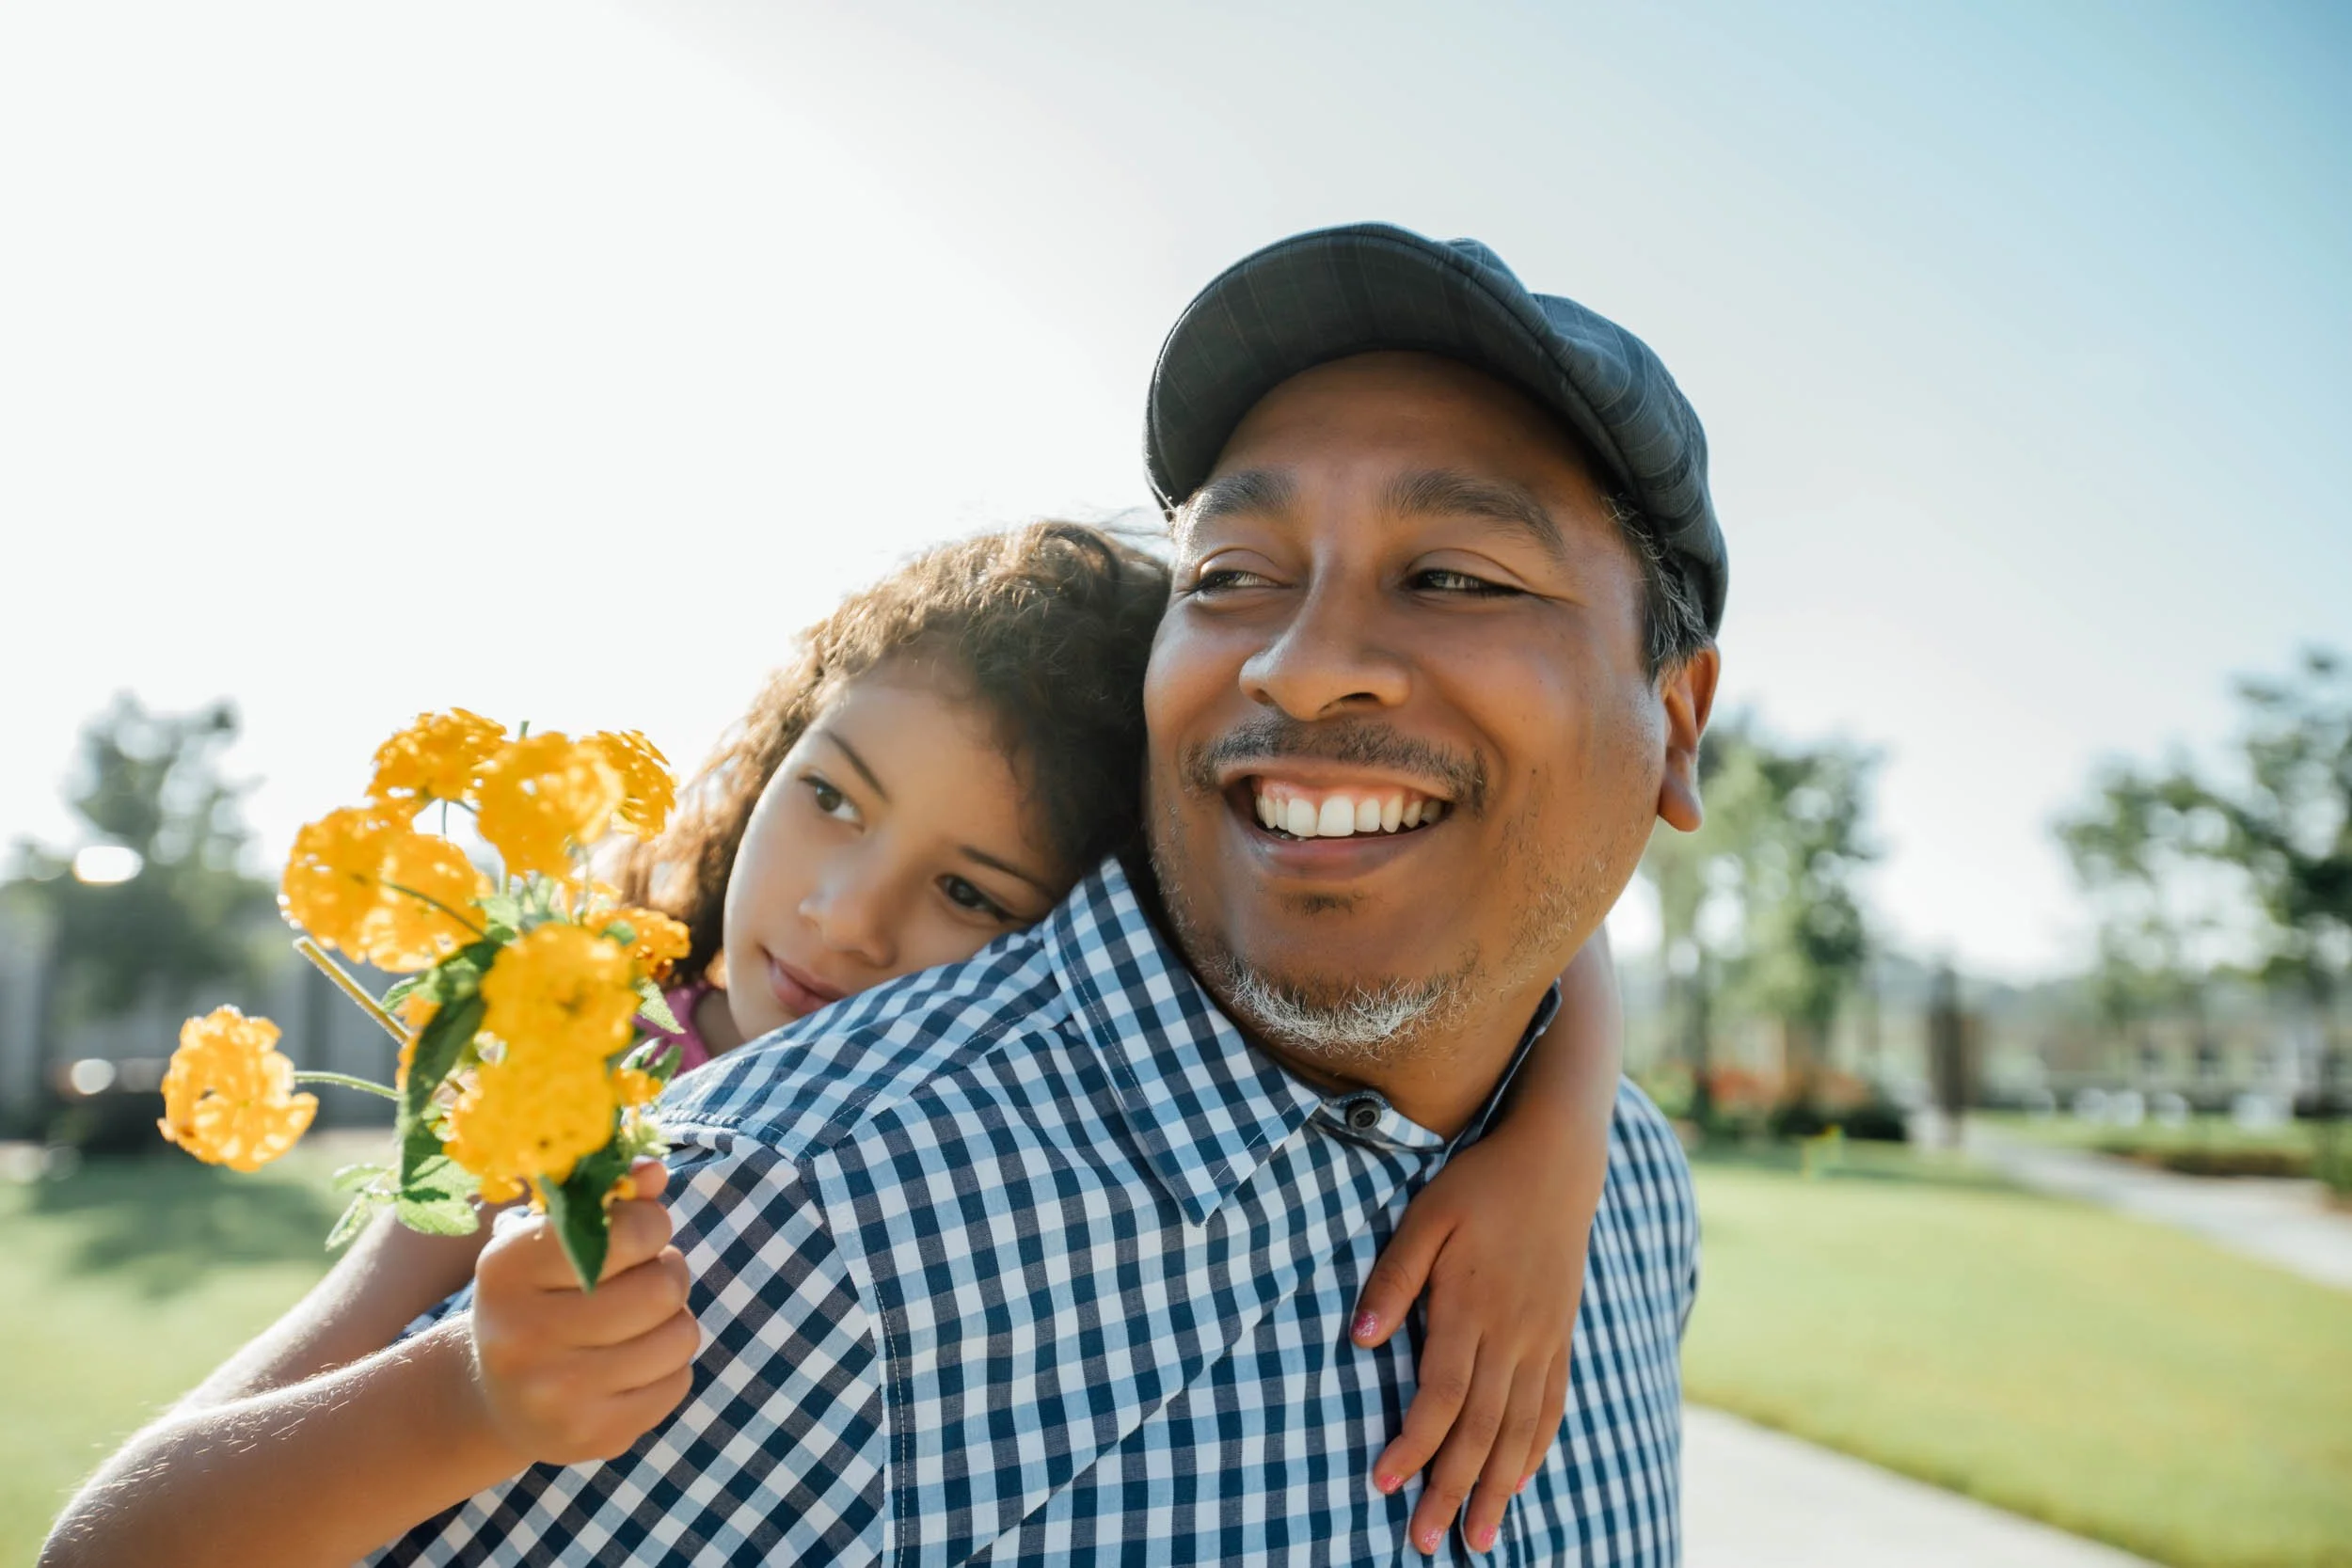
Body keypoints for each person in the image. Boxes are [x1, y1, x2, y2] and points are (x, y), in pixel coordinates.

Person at [356, 221, 1723, 1564]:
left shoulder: (1634, 1190)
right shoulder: (778, 1234)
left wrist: (1571, 1128)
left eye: (1453, 576)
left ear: (1677, 717)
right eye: (1233, 576)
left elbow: (1529, 920)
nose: (1302, 669)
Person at [42, 514, 1632, 1565]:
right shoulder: (559, 1076)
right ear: (773, 748)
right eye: (831, 796)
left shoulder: (944, 1170)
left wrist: (1554, 1152)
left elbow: (1565, 910)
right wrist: (463, 1394)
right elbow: (112, 1545)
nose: (847, 917)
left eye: (967, 891)